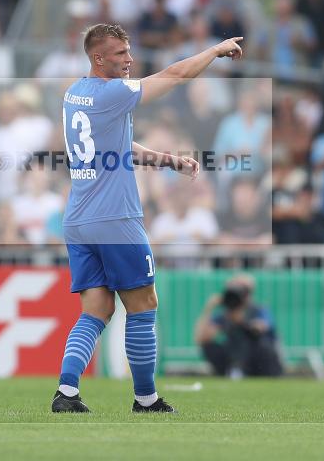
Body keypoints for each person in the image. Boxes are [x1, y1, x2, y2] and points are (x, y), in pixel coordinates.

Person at [52, 23, 242, 414]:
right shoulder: (113, 92)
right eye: (121, 54)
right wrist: (214, 51)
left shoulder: (75, 93)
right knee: (143, 304)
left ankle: (67, 392)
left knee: (97, 310)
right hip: (115, 217)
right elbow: (175, 75)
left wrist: (167, 160)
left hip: (80, 218)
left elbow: (118, 145)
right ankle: (146, 399)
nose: (130, 60)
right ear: (98, 58)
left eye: (129, 51)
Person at [193, 275, 283, 377]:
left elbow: (260, 328)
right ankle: (233, 371)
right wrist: (208, 308)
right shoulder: (225, 315)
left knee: (261, 345)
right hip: (233, 355)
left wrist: (242, 321)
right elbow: (201, 338)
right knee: (210, 347)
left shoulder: (260, 310)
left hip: (260, 359)